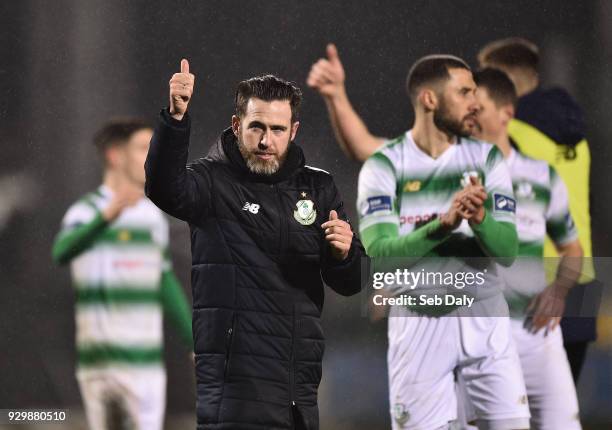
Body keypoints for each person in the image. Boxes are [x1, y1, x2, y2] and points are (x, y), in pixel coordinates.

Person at [144, 60, 364, 430]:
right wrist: (176, 120)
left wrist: (344, 255)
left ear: (293, 131)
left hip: (297, 390)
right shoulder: (210, 181)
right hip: (234, 390)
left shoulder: (319, 188)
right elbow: (164, 189)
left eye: (277, 129)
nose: (266, 141)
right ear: (236, 126)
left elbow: (351, 281)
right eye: (256, 127)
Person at [352, 54, 529, 429]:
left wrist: (479, 219)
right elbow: (380, 258)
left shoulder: (487, 158)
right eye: (464, 92)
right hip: (418, 322)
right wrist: (442, 226)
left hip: (484, 316)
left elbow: (508, 251)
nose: (475, 103)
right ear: (430, 100)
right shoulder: (384, 166)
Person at [52, 118, 193, 430]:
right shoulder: (85, 212)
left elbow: (163, 281)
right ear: (116, 156)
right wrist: (106, 217)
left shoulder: (151, 217)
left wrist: (193, 340)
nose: (153, 156)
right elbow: (61, 253)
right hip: (99, 366)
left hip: (145, 365)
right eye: (144, 148)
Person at [468, 67, 583, 429]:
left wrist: (559, 290)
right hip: (476, 338)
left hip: (536, 334)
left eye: (478, 107)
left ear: (506, 113)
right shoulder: (450, 174)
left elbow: (573, 250)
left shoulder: (542, 176)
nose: (469, 115)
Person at [477, 37, 596, 382]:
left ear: (504, 82)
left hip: (531, 287)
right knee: (557, 411)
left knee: (505, 410)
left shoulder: (507, 129)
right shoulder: (577, 134)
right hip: (579, 282)